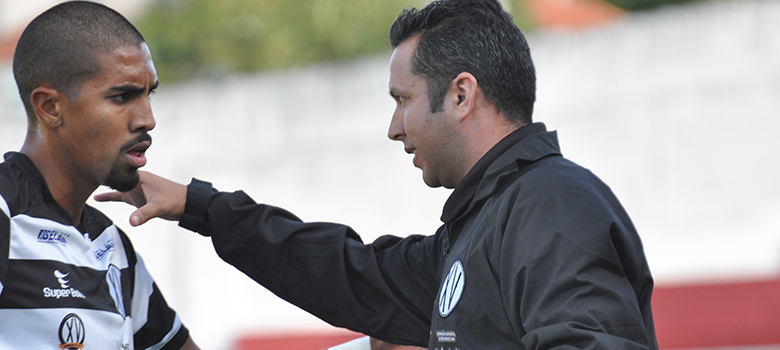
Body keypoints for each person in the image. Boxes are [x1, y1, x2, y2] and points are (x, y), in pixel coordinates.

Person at [98, 0, 657, 348]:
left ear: (461, 94)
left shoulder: (552, 206)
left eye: (402, 99)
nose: (394, 127)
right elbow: (348, 272)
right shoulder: (479, 225)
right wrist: (201, 207)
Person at [0, 2, 199, 349]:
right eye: (122, 96)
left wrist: (203, 207)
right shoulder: (6, 212)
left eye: (148, 94)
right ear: (50, 107)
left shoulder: (110, 244)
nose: (147, 120)